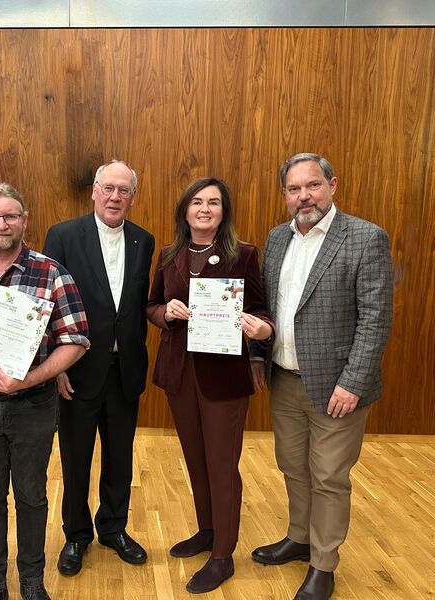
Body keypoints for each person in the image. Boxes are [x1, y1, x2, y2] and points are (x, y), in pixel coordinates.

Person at [249, 153, 393, 600]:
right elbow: (266, 307)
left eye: (312, 185)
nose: (304, 196)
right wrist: (257, 358)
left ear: (333, 185)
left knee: (329, 476)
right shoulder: (278, 238)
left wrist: (353, 382)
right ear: (285, 195)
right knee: (293, 466)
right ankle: (299, 537)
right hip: (284, 379)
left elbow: (375, 318)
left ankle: (323, 564)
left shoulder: (365, 238)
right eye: (294, 189)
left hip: (337, 387)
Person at [0, 183, 90, 600]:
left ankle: (32, 580)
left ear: (24, 221)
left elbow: (76, 340)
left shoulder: (51, 273)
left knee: (32, 497)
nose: (2, 223)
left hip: (33, 406)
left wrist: (33, 378)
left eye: (10, 216)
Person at [147, 177, 274, 594]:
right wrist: (166, 312)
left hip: (223, 377)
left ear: (224, 211)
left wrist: (261, 329)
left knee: (221, 464)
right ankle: (207, 530)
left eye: (214, 202)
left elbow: (260, 310)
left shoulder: (244, 254)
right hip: (179, 373)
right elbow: (151, 305)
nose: (205, 209)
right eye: (197, 202)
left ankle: (222, 554)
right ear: (184, 210)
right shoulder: (168, 255)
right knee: (195, 458)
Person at [42, 160, 154, 575]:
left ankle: (113, 528)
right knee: (75, 458)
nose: (115, 196)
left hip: (125, 370)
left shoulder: (144, 240)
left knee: (120, 458)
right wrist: (56, 366)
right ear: (94, 191)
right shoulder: (63, 236)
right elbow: (47, 303)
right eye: (108, 188)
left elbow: (135, 306)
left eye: (124, 190)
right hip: (77, 371)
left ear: (132, 197)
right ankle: (76, 535)